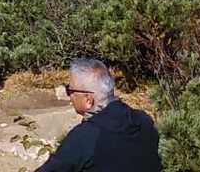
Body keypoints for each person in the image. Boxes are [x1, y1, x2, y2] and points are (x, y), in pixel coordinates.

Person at [32, 58, 161, 172]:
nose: (69, 96)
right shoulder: (144, 121)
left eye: (70, 90)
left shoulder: (86, 136)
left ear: (88, 100)